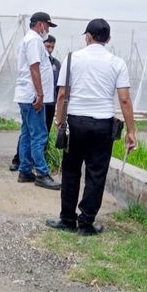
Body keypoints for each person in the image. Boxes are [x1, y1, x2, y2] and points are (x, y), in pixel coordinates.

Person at [46, 18, 137, 235]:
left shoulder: (71, 59)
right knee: (96, 173)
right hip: (102, 125)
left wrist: (60, 121)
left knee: (71, 170)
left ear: (87, 36)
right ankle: (86, 224)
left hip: (75, 122)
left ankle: (67, 219)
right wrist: (131, 131)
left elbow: (61, 94)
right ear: (108, 39)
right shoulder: (117, 63)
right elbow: (124, 99)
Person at [13, 12, 61, 190]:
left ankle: (25, 170)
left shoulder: (29, 40)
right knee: (39, 135)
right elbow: (34, 67)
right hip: (33, 96)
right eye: (47, 26)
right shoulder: (33, 41)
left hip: (26, 95)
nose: (48, 29)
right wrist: (40, 95)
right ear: (40, 24)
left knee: (27, 133)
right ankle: (41, 172)